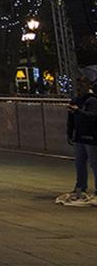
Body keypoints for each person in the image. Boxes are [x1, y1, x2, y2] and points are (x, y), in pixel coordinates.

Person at [60, 71, 97, 205]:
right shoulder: (75, 100)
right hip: (80, 137)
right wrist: (69, 133)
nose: (79, 86)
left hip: (91, 136)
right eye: (78, 84)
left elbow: (93, 116)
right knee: (80, 163)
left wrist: (78, 111)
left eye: (82, 84)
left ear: (88, 85)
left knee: (94, 163)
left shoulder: (92, 100)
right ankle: (80, 186)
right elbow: (71, 119)